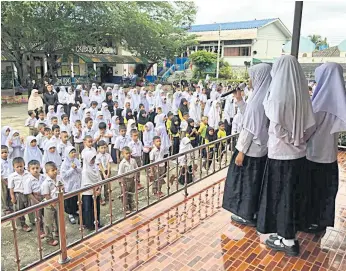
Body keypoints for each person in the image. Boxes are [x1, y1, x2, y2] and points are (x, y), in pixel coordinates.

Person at [257, 55, 315, 256]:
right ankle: (289, 235)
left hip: (280, 157)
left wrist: (289, 138)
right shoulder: (303, 96)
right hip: (299, 157)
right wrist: (298, 139)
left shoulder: (277, 98)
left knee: (282, 197)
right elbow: (309, 126)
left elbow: (277, 127)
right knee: (293, 195)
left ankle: (287, 240)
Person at [222, 63, 272, 226]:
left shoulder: (257, 102)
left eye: (252, 76)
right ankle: (254, 212)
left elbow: (249, 128)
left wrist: (241, 152)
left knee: (247, 183)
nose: (249, 80)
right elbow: (249, 118)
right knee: (255, 181)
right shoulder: (264, 97)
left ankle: (247, 214)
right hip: (261, 148)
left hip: (251, 150)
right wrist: (239, 100)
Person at [305, 63, 346, 233]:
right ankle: (321, 221)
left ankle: (310, 221)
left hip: (313, 155)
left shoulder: (318, 104)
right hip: (330, 156)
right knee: (325, 192)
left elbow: (307, 131)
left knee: (312, 191)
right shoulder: (339, 103)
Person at [8, 157, 34, 232]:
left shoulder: (28, 174)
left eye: (21, 166)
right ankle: (22, 224)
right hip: (18, 195)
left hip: (28, 194)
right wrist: (12, 197)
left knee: (30, 208)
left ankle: (33, 220)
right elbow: (11, 188)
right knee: (19, 210)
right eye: (17, 167)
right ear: (14, 167)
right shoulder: (12, 176)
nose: (19, 168)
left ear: (24, 165)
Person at [23, 160, 45, 238]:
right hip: (35, 198)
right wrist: (37, 201)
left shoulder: (43, 177)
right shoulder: (28, 180)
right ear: (29, 170)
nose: (35, 170)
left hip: (44, 197)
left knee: (46, 213)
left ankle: (50, 227)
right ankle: (40, 229)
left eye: (37, 168)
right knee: (38, 216)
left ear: (40, 168)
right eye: (33, 168)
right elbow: (29, 193)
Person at [81, 149, 102, 230]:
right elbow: (87, 183)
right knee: (88, 209)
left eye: (94, 158)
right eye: (91, 159)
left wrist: (99, 188)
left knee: (96, 208)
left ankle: (96, 222)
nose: (93, 160)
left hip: (96, 191)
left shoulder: (95, 167)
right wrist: (94, 190)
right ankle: (89, 225)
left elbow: (99, 178)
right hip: (88, 193)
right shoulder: (85, 171)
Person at [61, 146, 81, 224]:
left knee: (75, 199)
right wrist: (72, 169)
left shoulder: (76, 160)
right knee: (69, 200)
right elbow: (64, 175)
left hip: (76, 183)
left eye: (74, 152)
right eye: (71, 153)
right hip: (69, 184)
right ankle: (70, 214)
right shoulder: (64, 163)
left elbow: (80, 170)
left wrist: (76, 168)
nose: (73, 154)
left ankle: (75, 211)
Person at [41, 161, 59, 246]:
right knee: (49, 222)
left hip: (58, 201)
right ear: (47, 172)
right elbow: (46, 195)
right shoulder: (46, 183)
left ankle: (58, 232)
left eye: (56, 169)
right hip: (49, 204)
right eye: (52, 170)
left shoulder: (58, 178)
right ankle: (49, 238)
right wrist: (52, 203)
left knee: (58, 219)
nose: (55, 171)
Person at [118, 146, 138, 214]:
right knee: (125, 194)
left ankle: (131, 205)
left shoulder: (133, 160)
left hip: (132, 178)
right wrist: (121, 182)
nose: (128, 155)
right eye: (126, 153)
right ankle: (125, 207)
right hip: (125, 180)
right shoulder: (122, 163)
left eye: (129, 153)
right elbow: (120, 174)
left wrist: (136, 177)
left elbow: (136, 169)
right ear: (123, 154)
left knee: (131, 193)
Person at [95, 140, 113, 205]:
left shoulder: (108, 155)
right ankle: (100, 199)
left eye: (104, 147)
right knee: (99, 185)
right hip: (100, 172)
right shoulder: (97, 156)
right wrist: (103, 173)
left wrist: (108, 172)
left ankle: (107, 196)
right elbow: (100, 165)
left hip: (106, 170)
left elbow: (109, 163)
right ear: (98, 148)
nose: (103, 149)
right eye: (101, 148)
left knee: (107, 185)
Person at [1, 145, 13, 215]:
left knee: (10, 193)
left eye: (6, 152)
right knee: (4, 194)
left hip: (10, 179)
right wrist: (5, 182)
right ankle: (5, 209)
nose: (4, 154)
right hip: (3, 180)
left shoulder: (10, 160)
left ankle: (10, 207)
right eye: (2, 153)